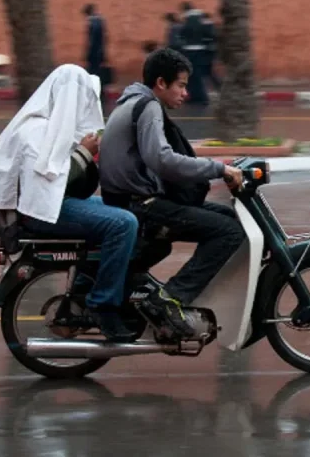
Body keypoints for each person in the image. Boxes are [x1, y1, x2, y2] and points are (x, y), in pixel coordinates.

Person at [0, 64, 139, 342]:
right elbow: (49, 182)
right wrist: (84, 152)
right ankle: (103, 304)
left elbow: (63, 181)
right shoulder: (36, 130)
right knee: (123, 224)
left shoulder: (48, 126)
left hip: (50, 205)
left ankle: (91, 284)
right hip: (38, 213)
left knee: (128, 212)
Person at [98, 48, 244, 339]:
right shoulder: (147, 107)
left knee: (226, 216)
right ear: (161, 83)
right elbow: (161, 159)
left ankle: (135, 287)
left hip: (133, 200)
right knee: (229, 231)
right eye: (181, 85)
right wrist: (218, 169)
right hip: (140, 206)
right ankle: (169, 301)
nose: (185, 93)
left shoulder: (131, 102)